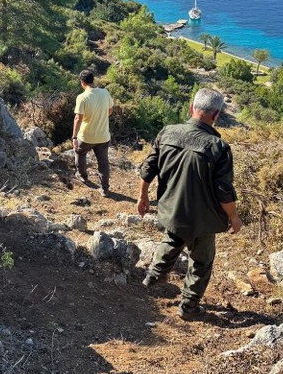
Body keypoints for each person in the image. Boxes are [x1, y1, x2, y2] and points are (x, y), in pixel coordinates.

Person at [137, 87, 242, 320]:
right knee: (202, 260)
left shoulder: (167, 132)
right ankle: (189, 306)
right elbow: (224, 191)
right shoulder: (218, 147)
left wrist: (142, 196)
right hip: (202, 218)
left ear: (191, 107)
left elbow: (148, 168)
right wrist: (234, 217)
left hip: (171, 208)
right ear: (216, 115)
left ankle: (153, 276)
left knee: (173, 236)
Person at [72, 69, 114, 197]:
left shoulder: (82, 97)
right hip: (103, 136)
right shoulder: (105, 92)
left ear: (82, 82)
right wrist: (99, 117)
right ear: (93, 80)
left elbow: (78, 118)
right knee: (103, 162)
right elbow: (110, 111)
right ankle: (105, 189)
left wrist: (74, 137)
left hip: (87, 136)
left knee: (80, 152)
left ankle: (82, 175)